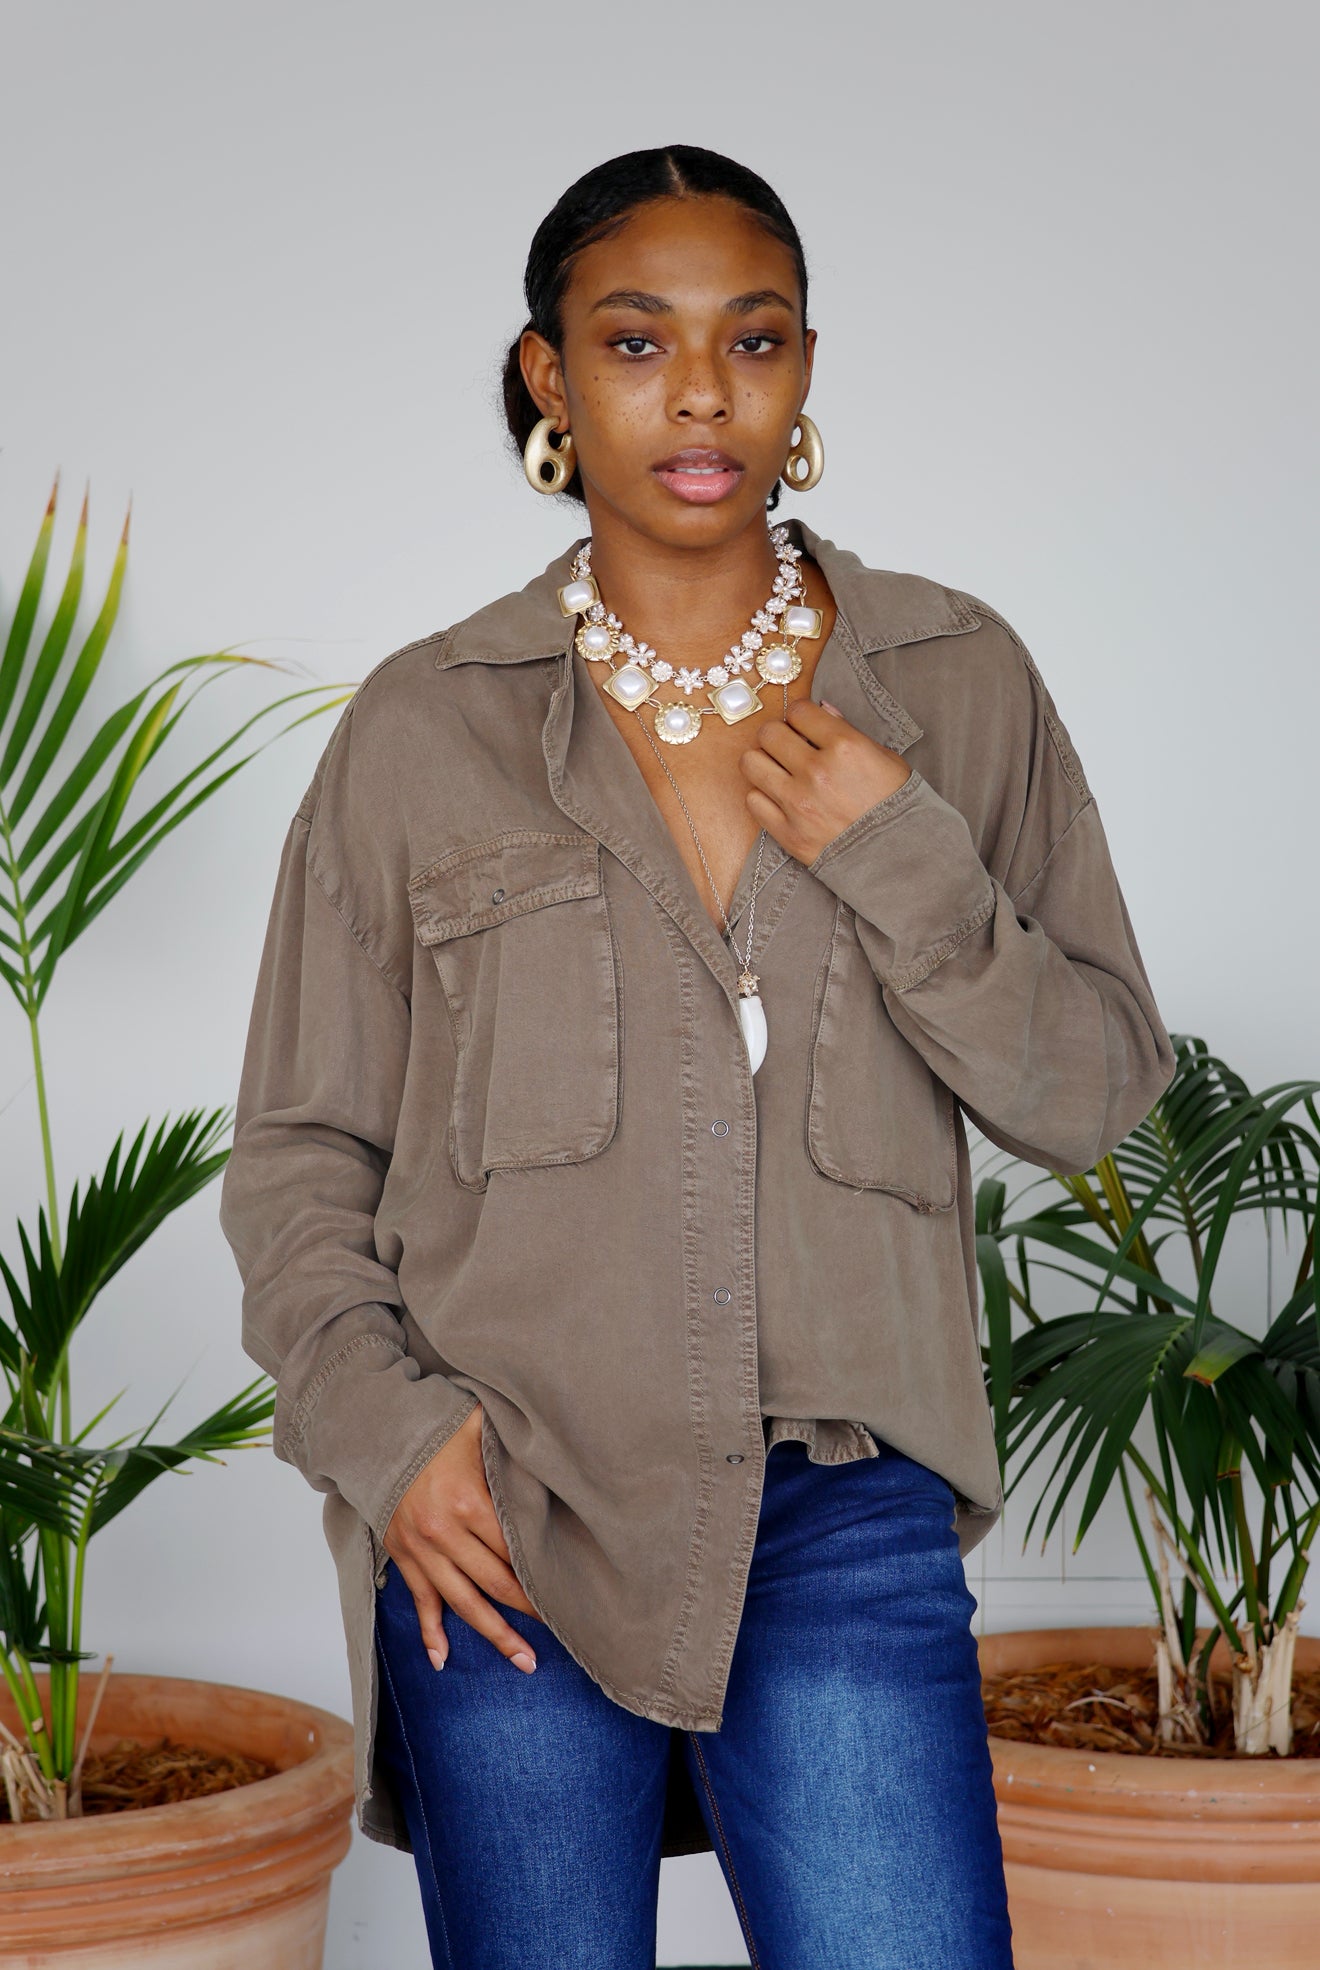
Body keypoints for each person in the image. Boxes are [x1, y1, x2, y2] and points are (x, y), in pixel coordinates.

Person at [218, 143, 1175, 1970]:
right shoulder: (428, 729)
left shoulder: (956, 683)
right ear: (548, 378)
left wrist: (905, 858)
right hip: (506, 1501)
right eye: (638, 341)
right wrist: (392, 1435)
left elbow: (1099, 1092)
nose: (702, 394)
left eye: (755, 339)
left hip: (844, 1504)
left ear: (808, 369)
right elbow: (297, 1154)